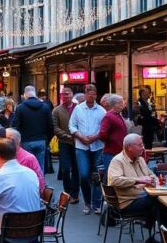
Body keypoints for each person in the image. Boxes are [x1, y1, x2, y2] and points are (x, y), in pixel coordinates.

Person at [106, 133, 163, 243]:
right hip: (127, 203)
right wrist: (138, 180)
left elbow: (150, 175)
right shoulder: (117, 161)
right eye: (140, 145)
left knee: (162, 201)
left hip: (143, 196)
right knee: (157, 202)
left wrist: (155, 179)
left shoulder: (141, 160)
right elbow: (114, 180)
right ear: (129, 147)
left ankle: (160, 236)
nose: (143, 147)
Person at [69, 84, 106, 214]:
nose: (90, 95)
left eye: (93, 93)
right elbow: (72, 126)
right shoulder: (78, 109)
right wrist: (80, 136)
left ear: (96, 95)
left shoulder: (102, 111)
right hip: (81, 146)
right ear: (84, 95)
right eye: (88, 93)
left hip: (97, 147)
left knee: (96, 176)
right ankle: (87, 202)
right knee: (84, 175)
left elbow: (104, 129)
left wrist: (96, 137)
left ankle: (96, 203)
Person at [10, 85, 53, 174]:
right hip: (41, 140)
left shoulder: (20, 108)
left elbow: (15, 126)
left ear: (25, 94)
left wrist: (18, 141)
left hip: (25, 141)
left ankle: (29, 186)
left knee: (26, 168)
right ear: (35, 94)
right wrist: (47, 140)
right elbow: (50, 126)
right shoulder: (45, 107)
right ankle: (40, 186)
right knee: (40, 168)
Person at [52, 86, 80, 204]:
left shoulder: (78, 109)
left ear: (72, 95)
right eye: (63, 94)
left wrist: (79, 136)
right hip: (64, 143)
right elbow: (55, 128)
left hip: (78, 143)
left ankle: (75, 194)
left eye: (67, 94)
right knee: (65, 168)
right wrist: (68, 136)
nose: (65, 96)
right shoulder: (56, 110)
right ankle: (67, 191)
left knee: (76, 169)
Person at [99, 93, 128, 171]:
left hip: (119, 152)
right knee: (111, 177)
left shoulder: (117, 115)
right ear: (116, 104)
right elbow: (102, 134)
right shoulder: (108, 116)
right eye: (122, 103)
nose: (123, 105)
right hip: (111, 153)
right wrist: (111, 142)